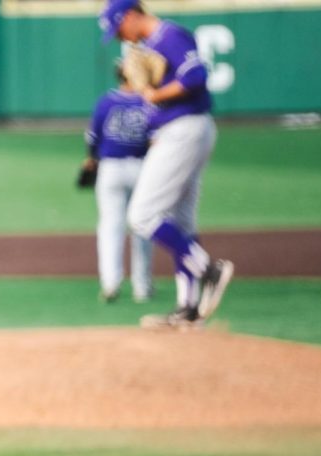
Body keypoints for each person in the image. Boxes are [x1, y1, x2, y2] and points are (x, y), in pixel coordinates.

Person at [99, 0, 235, 328]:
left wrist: (155, 96)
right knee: (182, 223)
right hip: (185, 130)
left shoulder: (168, 35)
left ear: (130, 16)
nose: (120, 36)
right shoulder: (152, 43)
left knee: (142, 215)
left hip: (185, 130)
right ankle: (188, 309)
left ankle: (208, 269)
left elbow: (197, 76)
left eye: (118, 28)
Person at [83, 63, 154, 303]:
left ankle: (110, 283)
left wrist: (90, 159)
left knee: (110, 226)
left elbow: (92, 138)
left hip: (111, 168)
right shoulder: (148, 101)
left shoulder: (106, 102)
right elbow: (156, 139)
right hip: (142, 168)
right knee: (142, 226)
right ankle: (142, 287)